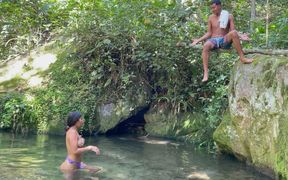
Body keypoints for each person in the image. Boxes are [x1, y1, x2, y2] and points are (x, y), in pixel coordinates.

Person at [192, 0, 253, 82]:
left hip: (224, 40)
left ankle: (242, 58)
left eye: (214, 7)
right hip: (213, 40)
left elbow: (233, 31)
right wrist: (198, 40)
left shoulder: (229, 16)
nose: (213, 10)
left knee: (233, 33)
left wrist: (241, 36)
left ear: (219, 6)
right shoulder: (210, 17)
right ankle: (206, 72)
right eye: (211, 8)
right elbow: (209, 33)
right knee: (206, 45)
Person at [60, 111, 101, 175]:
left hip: (77, 164)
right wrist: (90, 147)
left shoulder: (74, 131)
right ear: (76, 121)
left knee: (96, 170)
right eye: (81, 119)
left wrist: (81, 141)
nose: (83, 120)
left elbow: (74, 148)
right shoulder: (72, 132)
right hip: (70, 167)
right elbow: (74, 151)